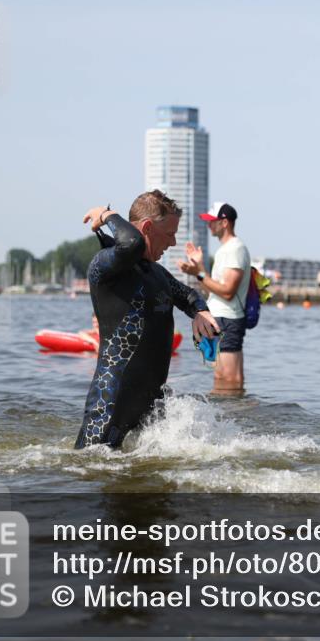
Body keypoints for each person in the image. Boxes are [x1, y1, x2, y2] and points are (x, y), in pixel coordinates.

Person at [75, 191, 218, 449]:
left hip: (149, 402)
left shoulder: (156, 273)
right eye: (170, 233)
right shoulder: (105, 267)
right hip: (110, 404)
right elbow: (131, 243)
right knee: (90, 474)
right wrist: (106, 214)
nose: (173, 242)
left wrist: (200, 311)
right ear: (148, 227)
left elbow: (188, 295)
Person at [179, 202, 251, 394]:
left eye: (212, 221)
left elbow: (227, 291)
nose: (209, 225)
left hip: (229, 318)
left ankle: (236, 418)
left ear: (225, 222)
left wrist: (199, 274)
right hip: (220, 318)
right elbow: (213, 291)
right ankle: (225, 419)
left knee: (229, 377)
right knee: (220, 376)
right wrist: (200, 267)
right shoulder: (224, 250)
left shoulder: (235, 249)